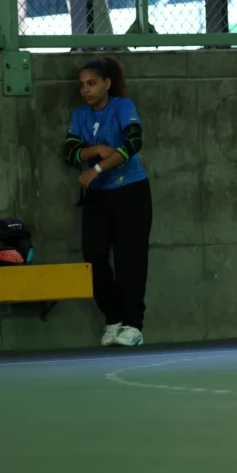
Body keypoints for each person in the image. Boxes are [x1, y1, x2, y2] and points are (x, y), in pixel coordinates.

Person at [63, 57, 152, 347]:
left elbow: (133, 142)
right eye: (82, 85)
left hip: (131, 192)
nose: (85, 90)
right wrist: (98, 149)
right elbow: (70, 152)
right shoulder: (80, 115)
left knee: (130, 260)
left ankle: (134, 325)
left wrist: (98, 168)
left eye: (91, 84)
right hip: (98, 197)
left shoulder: (122, 107)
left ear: (107, 84)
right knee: (94, 255)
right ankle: (113, 318)